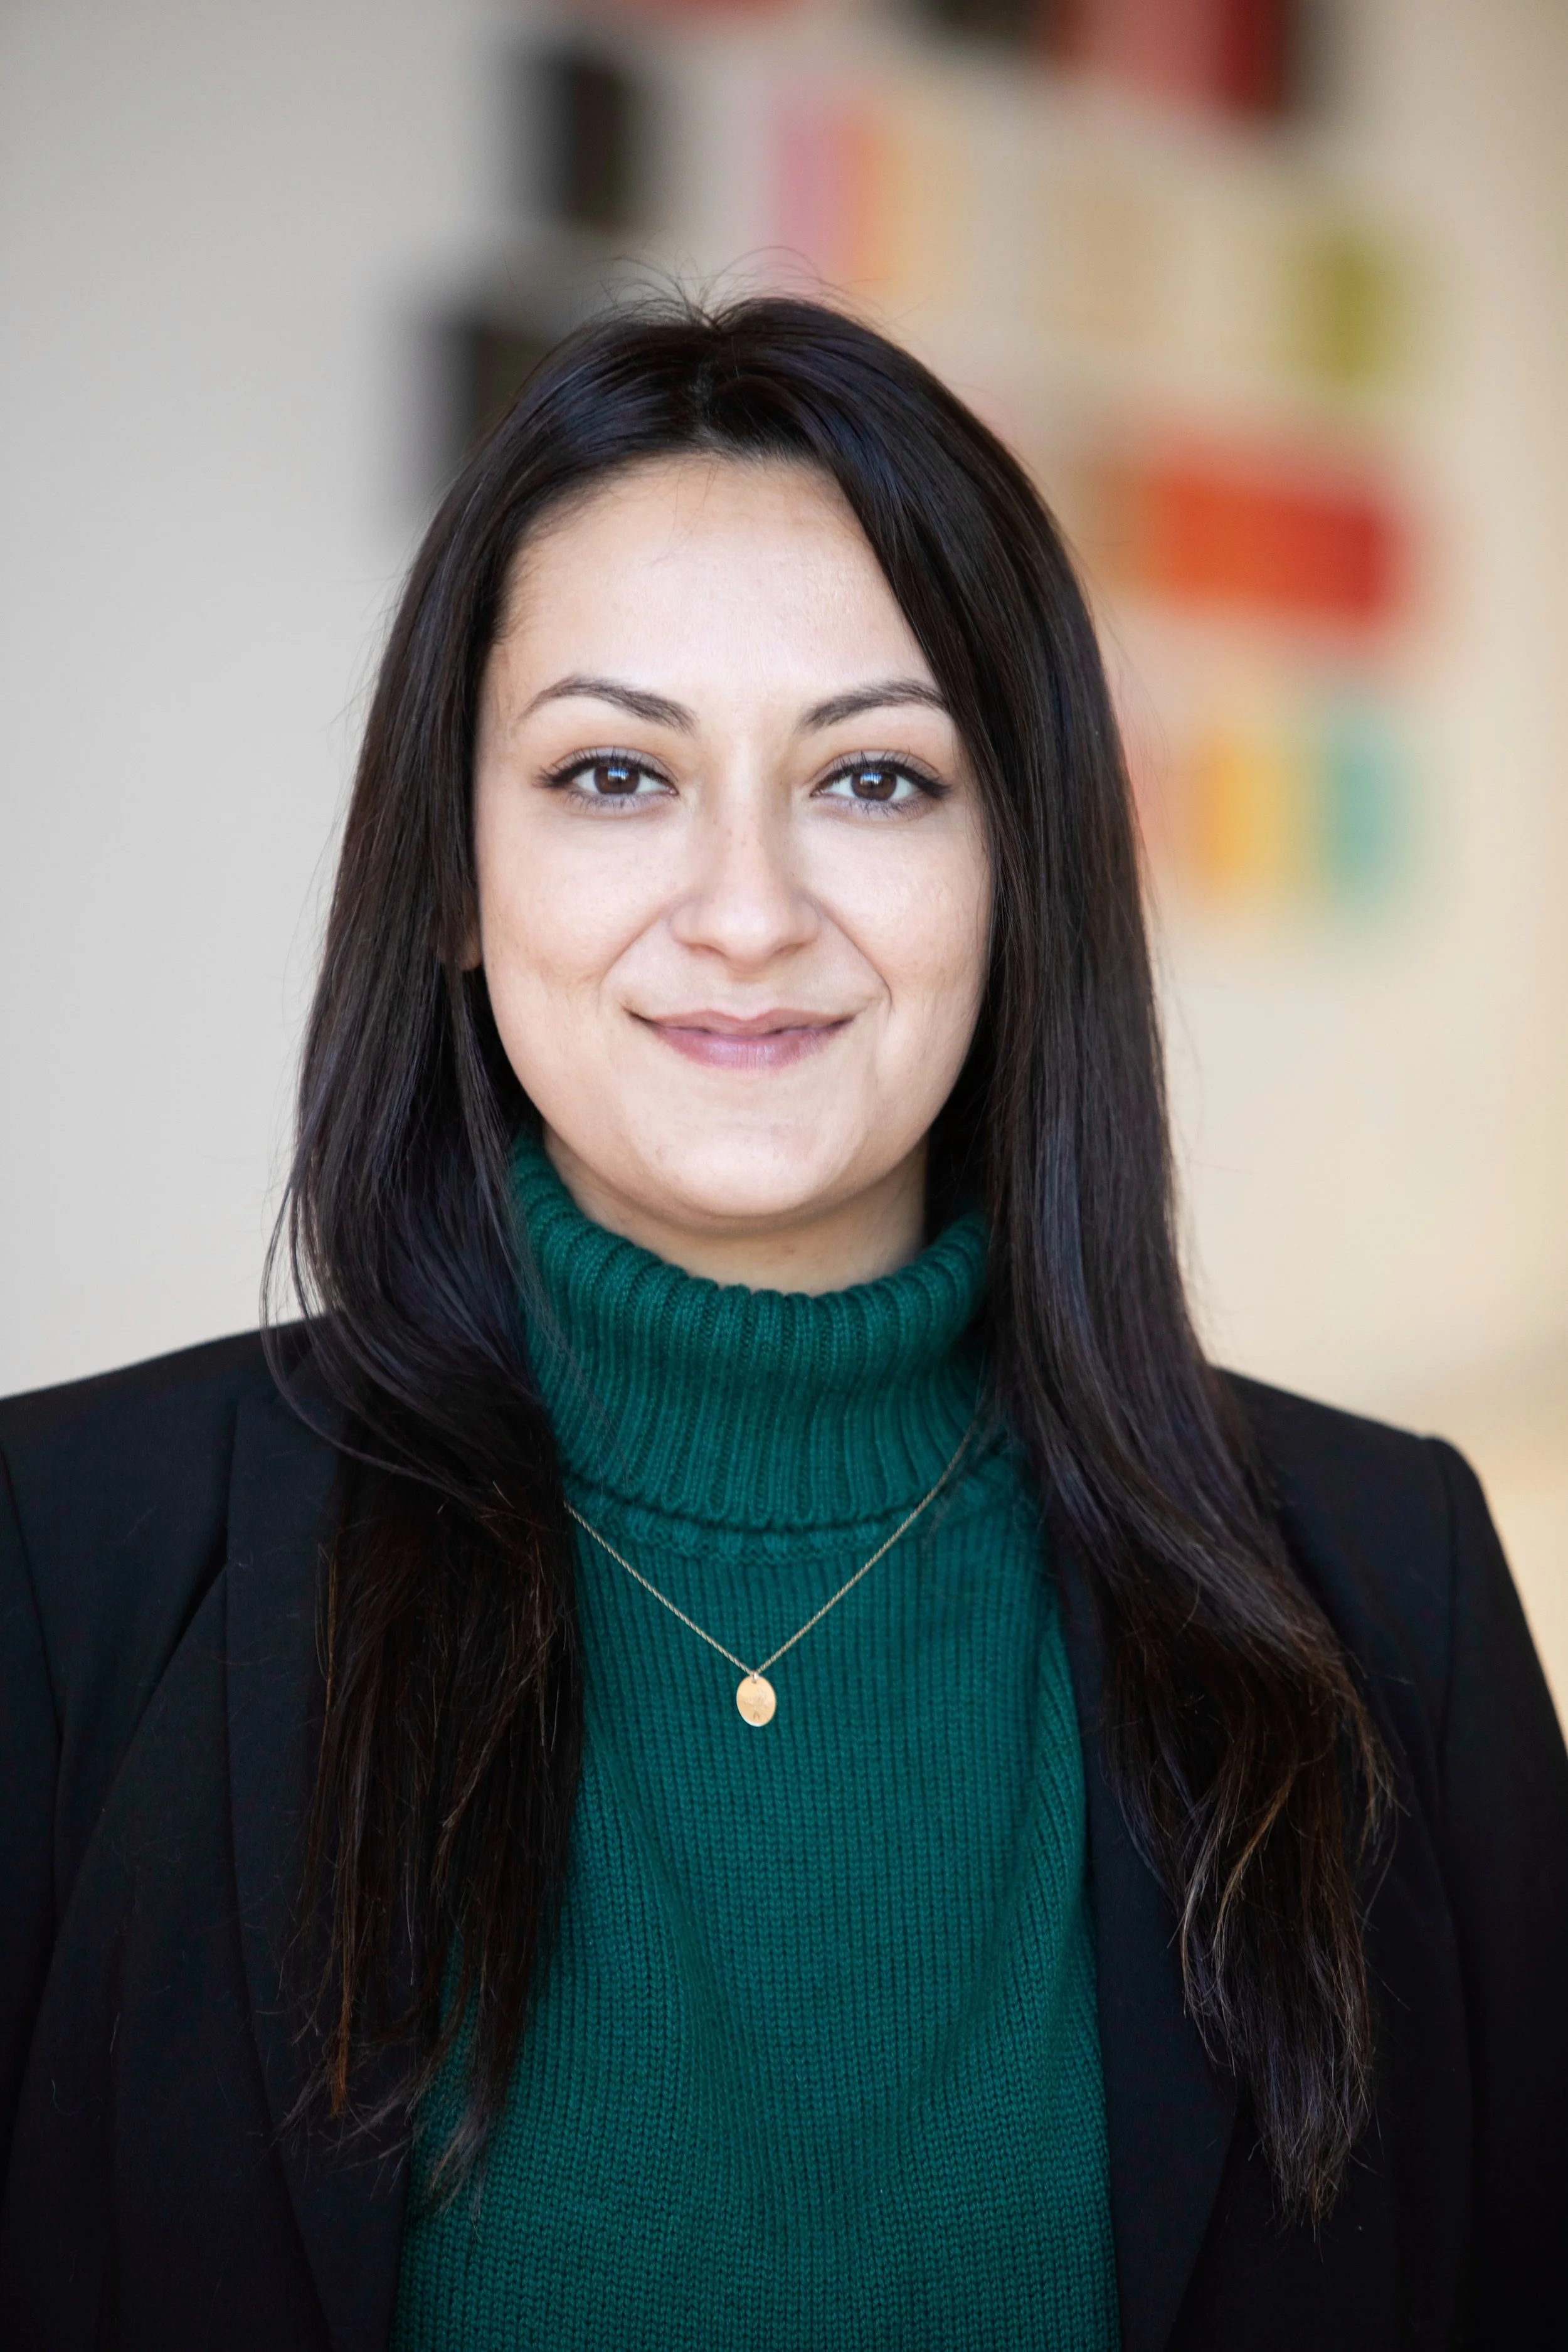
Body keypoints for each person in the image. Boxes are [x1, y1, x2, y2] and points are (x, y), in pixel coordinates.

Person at [1, 296, 1564, 2352]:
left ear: (1023, 866)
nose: (744, 909)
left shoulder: (1393, 1586)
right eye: (615, 770)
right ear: (456, 869)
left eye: (878, 779)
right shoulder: (62, 1562)